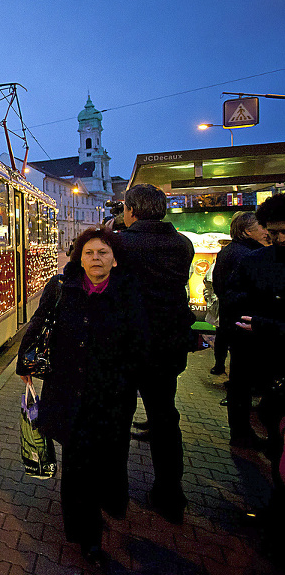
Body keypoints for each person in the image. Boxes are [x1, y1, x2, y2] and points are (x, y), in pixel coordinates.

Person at [19, 227, 146, 564]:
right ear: (79, 258)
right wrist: (26, 361)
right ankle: (84, 533)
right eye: (89, 253)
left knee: (108, 455)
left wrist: (132, 374)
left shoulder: (129, 291)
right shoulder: (62, 288)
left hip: (112, 394)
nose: (95, 259)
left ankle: (111, 499)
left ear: (114, 259)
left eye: (103, 252)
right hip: (69, 390)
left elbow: (140, 339)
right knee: (77, 464)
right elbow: (39, 323)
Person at [117, 183, 194, 524]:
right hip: (168, 347)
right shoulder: (182, 244)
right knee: (165, 418)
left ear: (131, 210)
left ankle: (115, 489)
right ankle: (170, 493)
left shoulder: (121, 244)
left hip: (127, 347)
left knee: (117, 418)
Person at [227, 193, 285, 564]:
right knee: (278, 444)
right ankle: (275, 519)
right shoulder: (256, 261)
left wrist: (265, 321)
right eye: (272, 232)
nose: (277, 239)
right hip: (271, 371)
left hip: (271, 358)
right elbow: (232, 296)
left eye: (282, 232)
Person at [211, 211, 269, 445]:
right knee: (242, 381)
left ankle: (241, 431)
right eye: (261, 226)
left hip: (232, 322)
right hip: (245, 325)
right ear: (247, 230)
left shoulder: (229, 252)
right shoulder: (248, 255)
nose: (266, 232)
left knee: (239, 379)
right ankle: (242, 433)